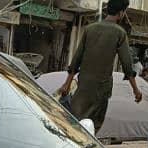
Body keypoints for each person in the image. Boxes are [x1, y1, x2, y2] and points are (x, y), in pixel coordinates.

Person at [58, 0, 142, 132]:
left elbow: (76, 60)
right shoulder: (120, 33)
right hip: (101, 90)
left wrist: (67, 84)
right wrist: (136, 90)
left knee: (75, 125)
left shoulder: (90, 29)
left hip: (83, 87)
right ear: (121, 12)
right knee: (92, 128)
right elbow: (127, 65)